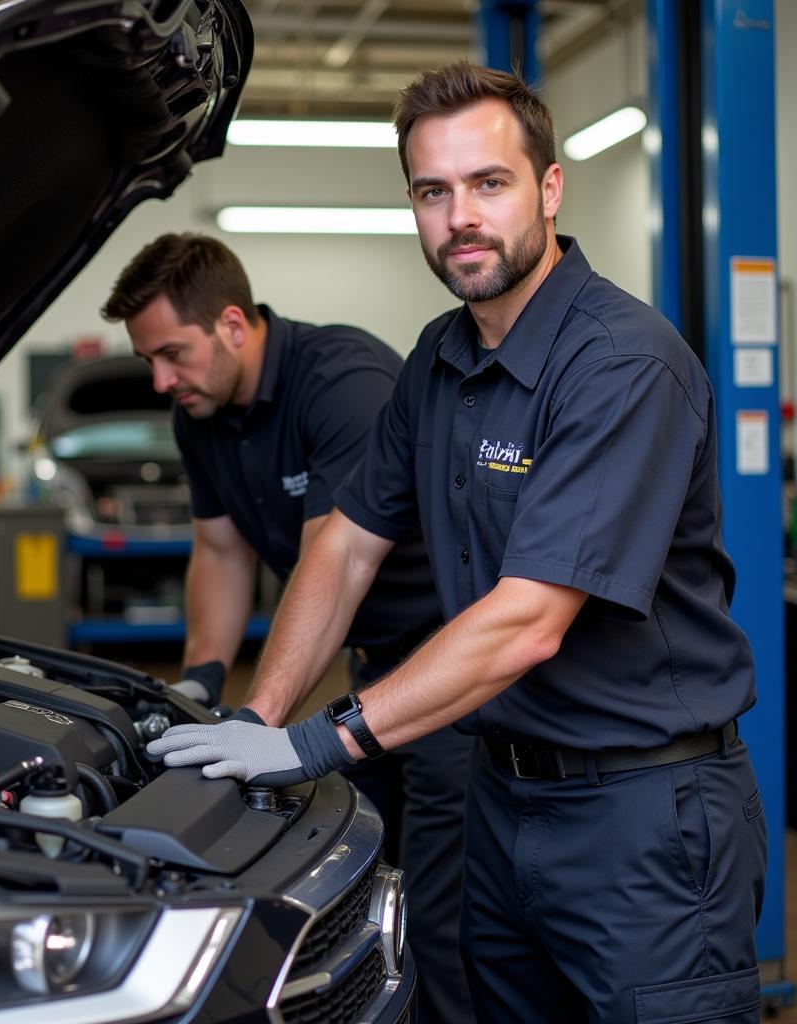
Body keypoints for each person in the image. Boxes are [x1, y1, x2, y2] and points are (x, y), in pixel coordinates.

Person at [147, 63, 767, 1023]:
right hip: (500, 796)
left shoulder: (622, 364)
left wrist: (321, 740)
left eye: (489, 183)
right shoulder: (438, 361)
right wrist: (260, 718)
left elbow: (525, 624)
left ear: (549, 189)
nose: (459, 217)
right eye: (434, 192)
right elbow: (345, 548)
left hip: (643, 818)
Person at [101, 233, 476, 1024]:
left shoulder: (340, 383)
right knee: (360, 867)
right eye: (150, 363)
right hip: (371, 667)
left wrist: (256, 723)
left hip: (453, 668)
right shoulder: (199, 414)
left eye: (172, 353)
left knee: (442, 912)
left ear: (232, 323)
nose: (163, 381)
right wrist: (202, 681)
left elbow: (328, 567)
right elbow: (221, 550)